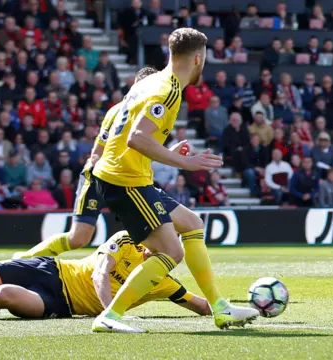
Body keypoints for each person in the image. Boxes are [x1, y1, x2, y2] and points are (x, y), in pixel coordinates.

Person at [91, 28, 258, 333]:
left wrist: (167, 153)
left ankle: (220, 309)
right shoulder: (168, 89)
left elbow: (133, 139)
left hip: (127, 175)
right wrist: (186, 162)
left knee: (192, 223)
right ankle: (110, 317)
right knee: (172, 252)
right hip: (124, 180)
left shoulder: (151, 82)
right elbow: (137, 139)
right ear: (198, 58)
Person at [12, 67, 157, 260]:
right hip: (101, 177)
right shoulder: (119, 112)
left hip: (128, 179)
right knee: (79, 238)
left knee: (157, 234)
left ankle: (148, 280)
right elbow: (98, 151)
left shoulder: (148, 116)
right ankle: (24, 259)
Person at [0, 231, 209, 319]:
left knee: (3, 295)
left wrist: (248, 308)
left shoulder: (163, 282)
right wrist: (110, 315)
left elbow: (201, 306)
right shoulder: (126, 240)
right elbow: (100, 275)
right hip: (51, 269)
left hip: (59, 302)